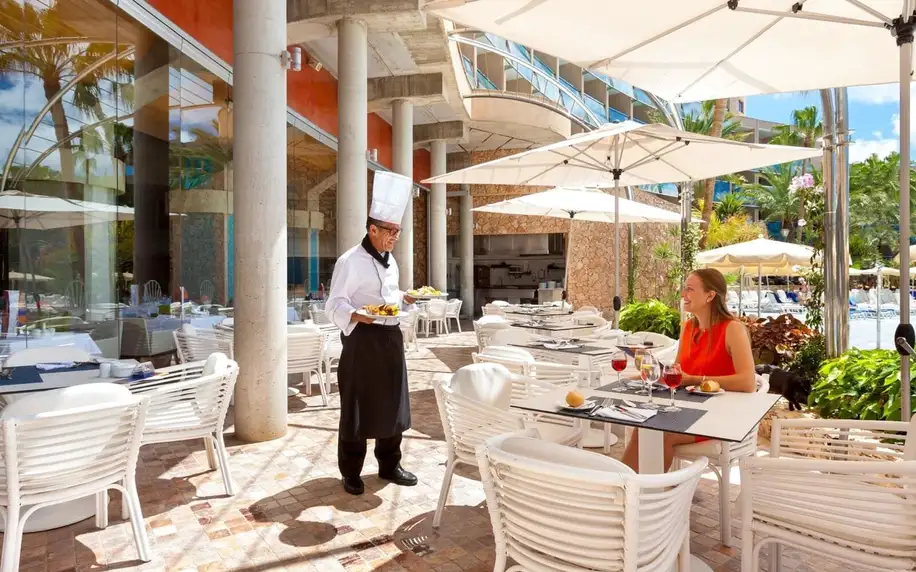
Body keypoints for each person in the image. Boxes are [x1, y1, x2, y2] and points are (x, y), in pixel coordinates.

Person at [325, 171, 419, 495]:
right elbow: (333, 304)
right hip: (362, 341)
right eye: (390, 231)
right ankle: (351, 471)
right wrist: (355, 314)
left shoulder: (392, 263)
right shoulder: (349, 261)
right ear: (372, 229)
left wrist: (404, 299)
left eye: (398, 231)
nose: (395, 237)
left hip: (391, 339)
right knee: (357, 407)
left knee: (392, 403)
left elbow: (388, 300)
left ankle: (390, 465)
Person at [622, 268, 756, 472]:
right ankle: (625, 490)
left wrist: (692, 379)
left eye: (690, 289)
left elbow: (748, 383)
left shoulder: (732, 329)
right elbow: (679, 372)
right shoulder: (688, 328)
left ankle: (653, 495)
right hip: (688, 410)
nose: (683, 294)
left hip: (719, 416)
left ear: (710, 295)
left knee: (660, 433)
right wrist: (649, 373)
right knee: (643, 429)